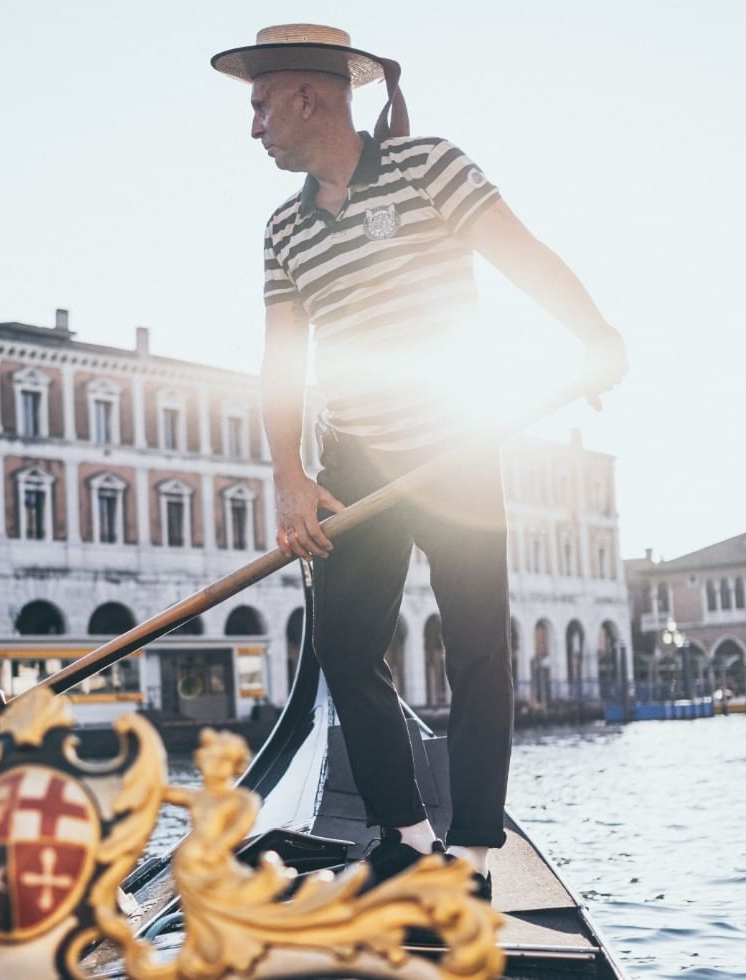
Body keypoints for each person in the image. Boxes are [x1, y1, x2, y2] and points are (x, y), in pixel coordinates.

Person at [211, 24, 627, 898]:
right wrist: (290, 477)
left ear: (306, 96)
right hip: (355, 460)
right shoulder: (284, 228)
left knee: (477, 644)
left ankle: (470, 854)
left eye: (259, 106)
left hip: (457, 442)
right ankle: (402, 834)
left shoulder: (429, 166)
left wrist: (592, 334)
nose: (254, 127)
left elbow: (520, 252)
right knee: (341, 642)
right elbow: (281, 364)